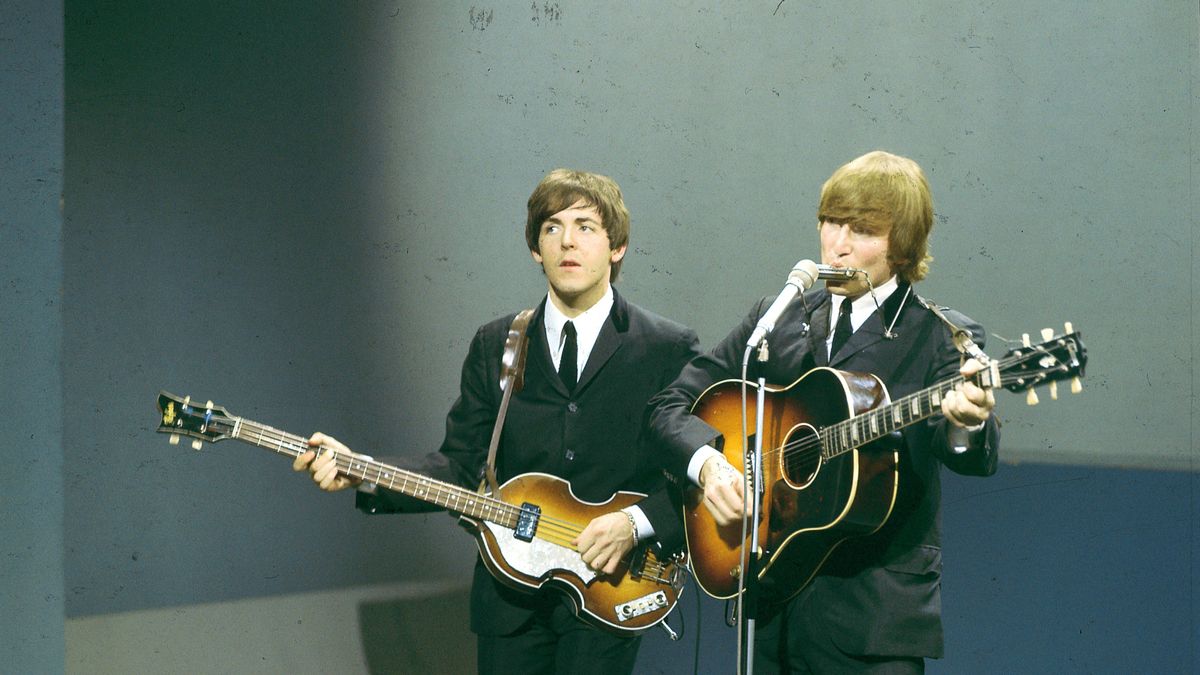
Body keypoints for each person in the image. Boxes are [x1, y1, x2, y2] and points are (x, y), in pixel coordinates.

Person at [294, 168, 701, 674]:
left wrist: (635, 524)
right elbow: (461, 465)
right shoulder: (497, 343)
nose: (567, 241)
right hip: (508, 602)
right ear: (536, 247)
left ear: (617, 247)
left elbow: (698, 474)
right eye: (552, 227)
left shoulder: (666, 348)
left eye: (585, 226)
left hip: (607, 594)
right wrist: (365, 471)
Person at [647, 150, 999, 673]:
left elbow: (972, 456)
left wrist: (967, 422)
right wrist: (708, 465)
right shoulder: (777, 320)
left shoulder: (939, 335)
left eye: (861, 230)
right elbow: (667, 406)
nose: (837, 244)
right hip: (769, 607)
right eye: (831, 222)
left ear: (901, 245)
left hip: (873, 623)